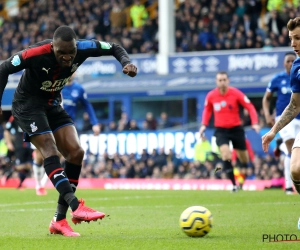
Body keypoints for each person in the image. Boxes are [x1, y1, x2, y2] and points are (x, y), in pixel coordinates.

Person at [0, 25, 137, 237]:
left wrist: (126, 62)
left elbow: (114, 47)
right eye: (60, 52)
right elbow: (3, 68)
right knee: (49, 150)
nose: (66, 57)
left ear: (76, 46)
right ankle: (76, 206)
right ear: (52, 46)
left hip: (52, 103)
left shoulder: (84, 48)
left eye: (70, 52)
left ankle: (59, 220)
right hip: (27, 105)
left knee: (76, 153)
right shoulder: (35, 53)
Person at [33, 73, 102, 195]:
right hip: (47, 122)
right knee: (39, 155)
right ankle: (38, 183)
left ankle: (42, 185)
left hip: (65, 125)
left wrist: (95, 123)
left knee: (58, 154)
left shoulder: (79, 89)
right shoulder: (56, 85)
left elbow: (87, 105)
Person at [262, 17, 300, 230]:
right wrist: (273, 131)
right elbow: (295, 106)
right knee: (296, 169)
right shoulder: (297, 67)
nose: (293, 44)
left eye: (298, 39)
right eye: (291, 39)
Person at [199, 71, 260, 192]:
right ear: (216, 82)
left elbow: (250, 107)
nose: (222, 82)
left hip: (236, 129)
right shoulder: (211, 96)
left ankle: (241, 181)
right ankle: (233, 185)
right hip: (221, 130)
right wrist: (203, 125)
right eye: (220, 80)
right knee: (226, 155)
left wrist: (255, 122)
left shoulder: (236, 93)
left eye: (224, 80)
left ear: (228, 81)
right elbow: (207, 111)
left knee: (244, 159)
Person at [262, 52, 297, 195]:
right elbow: (266, 99)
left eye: (292, 61)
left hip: (299, 118)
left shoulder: (298, 76)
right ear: (284, 63)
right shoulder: (278, 79)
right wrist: (267, 114)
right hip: (284, 119)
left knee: (296, 151)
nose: (290, 63)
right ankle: (289, 187)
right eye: (288, 61)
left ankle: (279, 144)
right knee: (291, 148)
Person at [2, 115, 33, 189]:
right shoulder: (14, 117)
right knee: (22, 164)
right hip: (20, 145)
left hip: (30, 146)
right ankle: (18, 183)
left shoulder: (31, 115)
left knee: (29, 166)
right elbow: (6, 131)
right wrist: (9, 143)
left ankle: (10, 171)